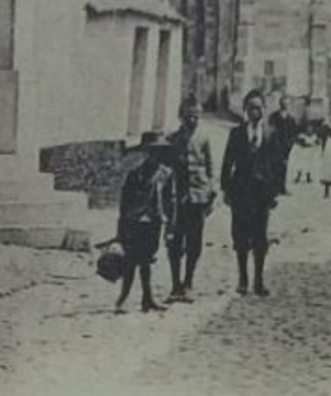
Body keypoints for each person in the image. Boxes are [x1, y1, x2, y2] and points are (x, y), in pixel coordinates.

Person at [221, 89, 278, 297]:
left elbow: (276, 166)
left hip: (261, 195)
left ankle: (259, 281)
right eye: (252, 108)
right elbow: (228, 163)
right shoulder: (236, 133)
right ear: (246, 110)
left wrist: (274, 193)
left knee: (260, 238)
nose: (256, 111)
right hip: (241, 192)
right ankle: (243, 279)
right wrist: (226, 189)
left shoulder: (271, 134)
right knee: (240, 237)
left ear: (264, 109)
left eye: (259, 107)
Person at [114, 133, 176, 314]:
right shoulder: (135, 174)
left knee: (147, 260)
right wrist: (121, 227)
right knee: (131, 261)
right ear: (146, 152)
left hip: (154, 223)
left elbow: (170, 202)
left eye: (159, 151)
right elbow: (124, 203)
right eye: (152, 151)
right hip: (134, 223)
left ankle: (147, 299)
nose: (155, 155)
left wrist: (170, 227)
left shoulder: (166, 174)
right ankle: (123, 298)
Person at [166, 96, 215, 302]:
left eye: (196, 116)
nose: (192, 120)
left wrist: (211, 192)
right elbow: (166, 171)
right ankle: (175, 284)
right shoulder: (173, 140)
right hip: (177, 199)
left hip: (198, 197)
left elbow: (210, 167)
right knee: (174, 242)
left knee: (194, 242)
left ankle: (188, 282)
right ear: (181, 116)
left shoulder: (203, 139)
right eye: (188, 116)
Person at [267, 93, 299, 197]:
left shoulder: (291, 119)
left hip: (286, 146)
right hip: (275, 145)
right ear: (280, 103)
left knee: (283, 166)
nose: (285, 104)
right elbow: (270, 131)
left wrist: (290, 144)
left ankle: (282, 188)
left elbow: (294, 133)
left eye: (287, 102)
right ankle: (273, 188)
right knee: (274, 166)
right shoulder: (273, 116)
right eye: (283, 102)